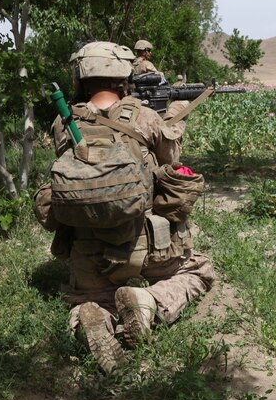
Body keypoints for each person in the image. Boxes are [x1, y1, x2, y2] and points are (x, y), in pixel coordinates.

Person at [45, 41, 215, 373]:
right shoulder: (147, 117)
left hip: (88, 250)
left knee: (88, 302)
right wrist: (171, 124)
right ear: (124, 75)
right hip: (150, 245)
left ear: (81, 77)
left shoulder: (63, 122)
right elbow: (171, 165)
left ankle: (89, 317)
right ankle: (150, 301)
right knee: (199, 271)